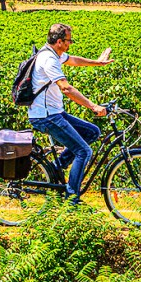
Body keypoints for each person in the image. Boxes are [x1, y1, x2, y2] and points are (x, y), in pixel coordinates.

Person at [28, 23, 113, 203]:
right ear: (59, 41)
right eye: (69, 41)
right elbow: (66, 88)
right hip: (46, 116)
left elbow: (73, 59)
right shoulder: (48, 59)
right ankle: (72, 199)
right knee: (83, 151)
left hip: (55, 112)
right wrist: (93, 106)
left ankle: (55, 168)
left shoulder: (54, 54)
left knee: (92, 132)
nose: (70, 43)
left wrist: (97, 62)